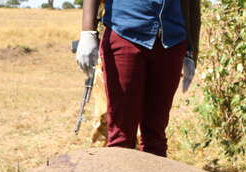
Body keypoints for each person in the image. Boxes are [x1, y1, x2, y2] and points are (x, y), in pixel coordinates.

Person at [74, 0, 201, 158]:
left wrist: (191, 50)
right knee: (121, 136)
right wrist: (88, 32)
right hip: (125, 33)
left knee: (155, 137)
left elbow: (193, 4)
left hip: (171, 40)